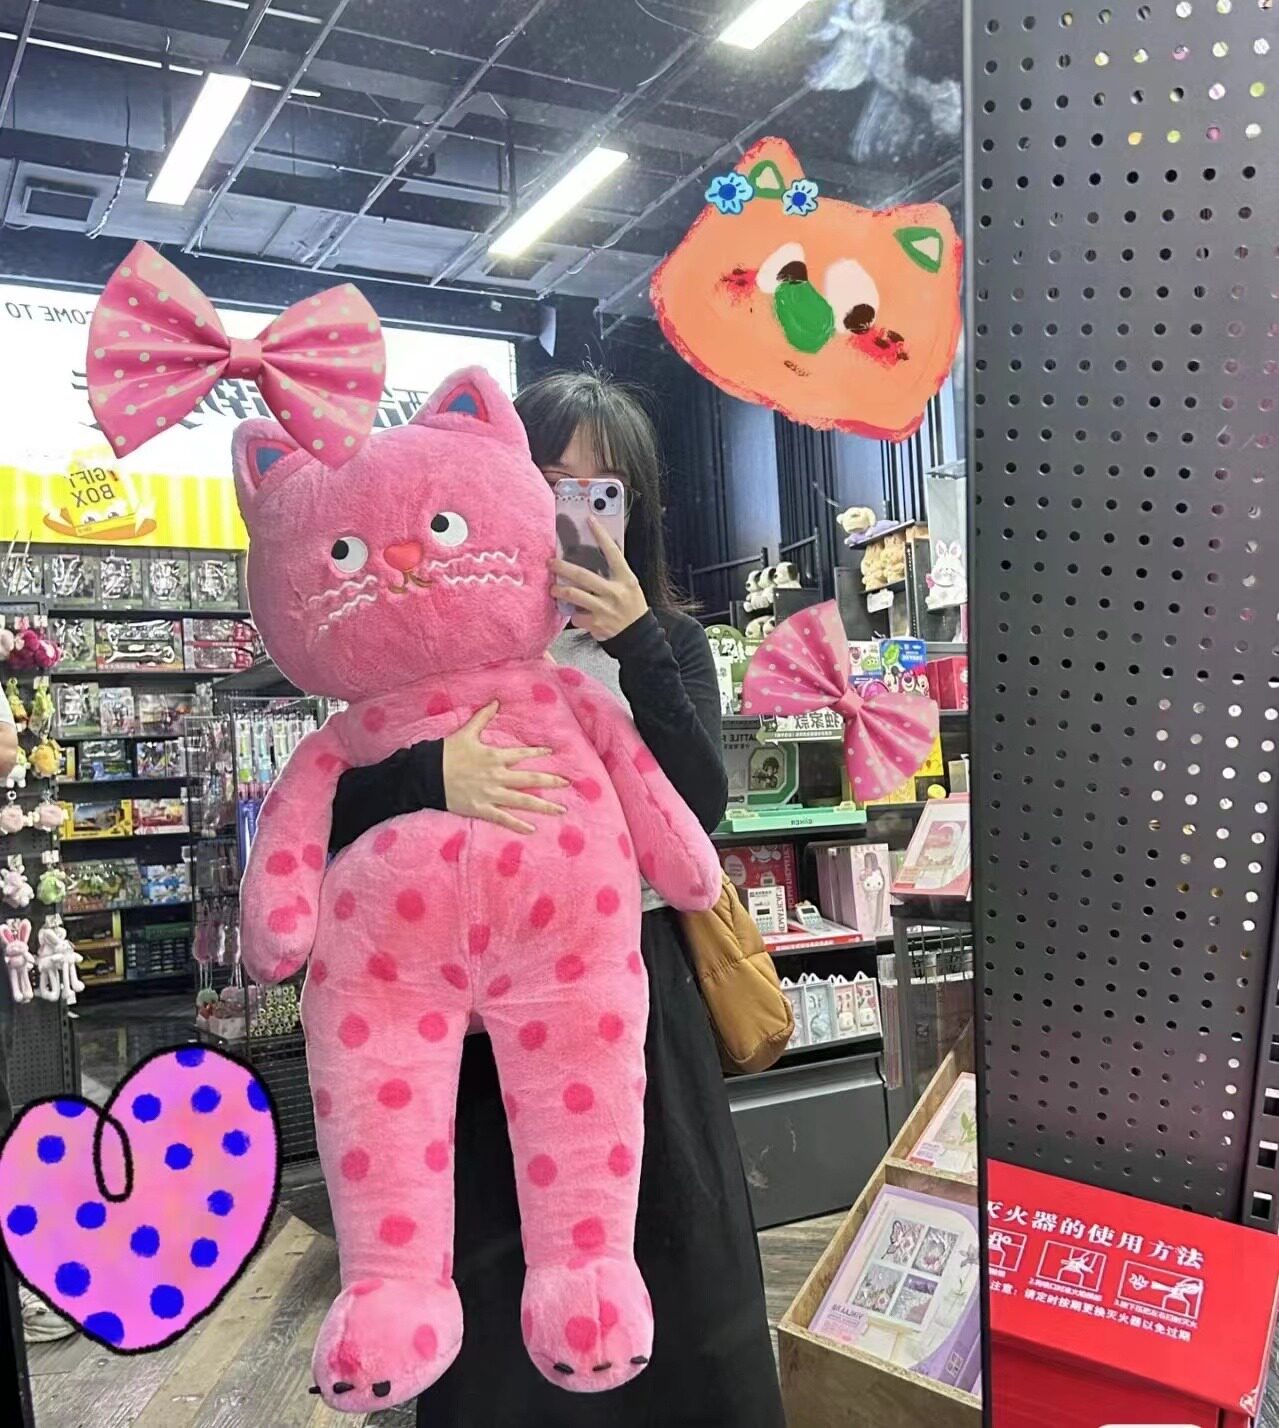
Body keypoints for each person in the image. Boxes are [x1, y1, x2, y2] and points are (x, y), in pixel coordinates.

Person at [328, 369, 785, 1428]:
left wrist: (636, 643)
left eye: (602, 490)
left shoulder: (666, 642)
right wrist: (432, 774)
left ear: (636, 511)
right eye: (548, 479)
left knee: (672, 1266)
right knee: (494, 1282)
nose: (574, 508)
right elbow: (332, 808)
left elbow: (700, 807)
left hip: (627, 997)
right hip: (466, 1023)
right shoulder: (420, 642)